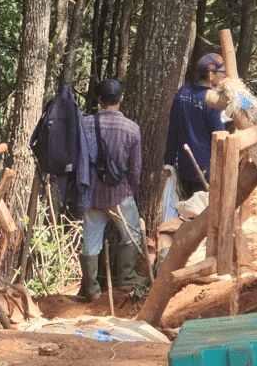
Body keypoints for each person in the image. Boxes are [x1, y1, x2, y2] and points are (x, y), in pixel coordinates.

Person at [76, 78, 147, 302]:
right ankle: (127, 278)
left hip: (91, 194)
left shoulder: (84, 125)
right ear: (121, 99)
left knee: (91, 241)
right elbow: (135, 169)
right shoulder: (132, 128)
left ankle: (93, 290)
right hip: (119, 193)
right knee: (131, 233)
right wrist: (130, 190)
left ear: (98, 100)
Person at [164, 53, 227, 199]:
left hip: (184, 167)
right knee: (201, 213)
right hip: (206, 171)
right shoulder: (212, 100)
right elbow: (220, 136)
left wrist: (169, 162)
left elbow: (173, 130)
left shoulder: (182, 93)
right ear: (211, 75)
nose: (224, 76)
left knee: (185, 211)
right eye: (222, 72)